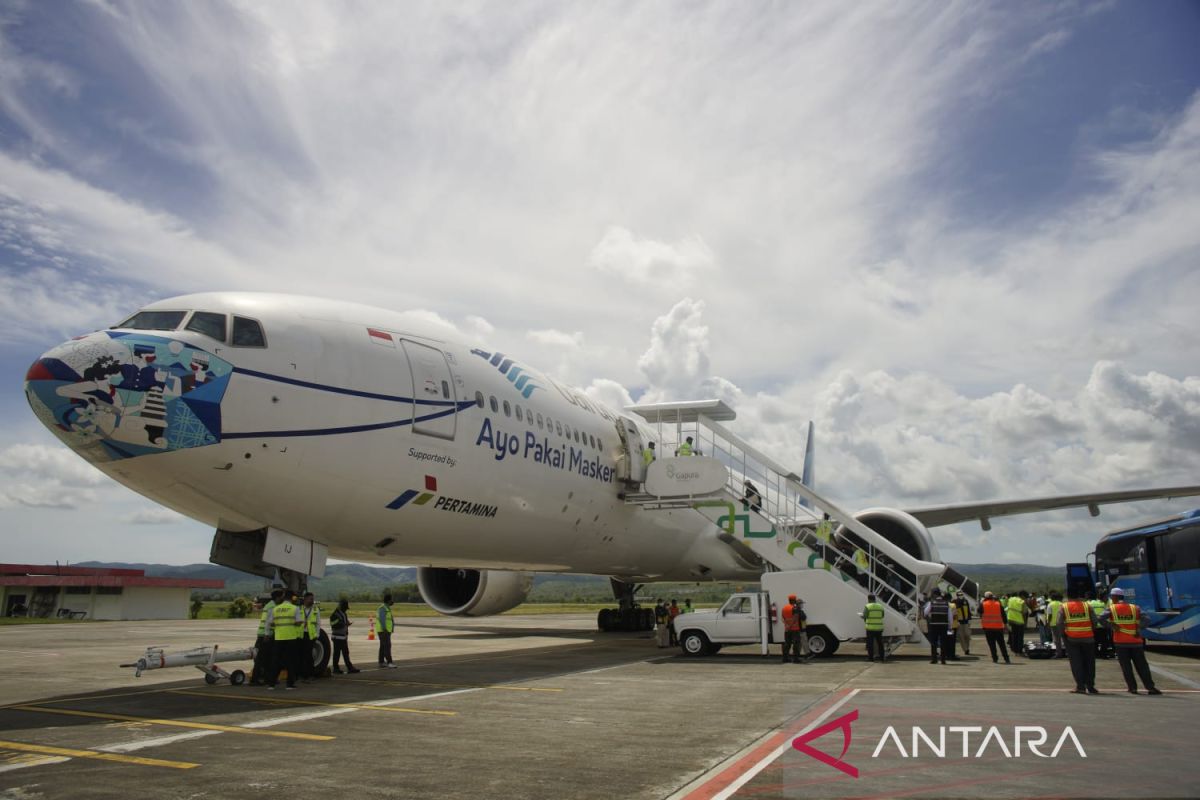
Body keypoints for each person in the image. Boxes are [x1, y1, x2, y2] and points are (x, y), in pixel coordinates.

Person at [1106, 588, 1161, 695]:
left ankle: (1132, 688)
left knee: (1126, 667)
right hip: (1135, 641)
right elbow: (1147, 619)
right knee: (1142, 666)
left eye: (1112, 597)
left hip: (1120, 642)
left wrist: (1111, 625)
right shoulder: (1134, 608)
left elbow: (1101, 618)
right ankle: (1150, 687)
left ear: (1115, 597)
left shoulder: (1111, 608)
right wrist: (1138, 628)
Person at [1059, 589, 1099, 695]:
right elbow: (1095, 622)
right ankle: (1090, 686)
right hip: (1088, 638)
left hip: (1072, 639)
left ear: (1068, 596)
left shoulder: (1064, 607)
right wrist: (1090, 631)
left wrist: (1063, 634)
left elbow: (1060, 623)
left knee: (1076, 663)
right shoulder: (1087, 606)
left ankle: (1080, 686)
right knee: (1089, 663)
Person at [267, 592, 303, 690]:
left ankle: (271, 684)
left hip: (278, 638)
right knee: (291, 661)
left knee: (276, 661)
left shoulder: (276, 608)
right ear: (292, 598)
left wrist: (279, 625)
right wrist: (296, 623)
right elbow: (299, 622)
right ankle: (289, 684)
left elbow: (271, 623)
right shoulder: (295, 608)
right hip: (291, 637)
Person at [250, 588, 282, 685]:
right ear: (277, 597)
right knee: (262, 658)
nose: (283, 598)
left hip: (264, 634)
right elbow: (269, 622)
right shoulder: (272, 607)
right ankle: (255, 679)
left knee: (267, 658)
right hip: (266, 635)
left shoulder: (270, 605)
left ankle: (267, 678)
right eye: (281, 596)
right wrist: (267, 634)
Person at [329, 598, 360, 675]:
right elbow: (333, 624)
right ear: (341, 606)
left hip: (343, 637)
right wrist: (343, 624)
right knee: (338, 653)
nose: (346, 610)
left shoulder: (344, 614)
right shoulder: (335, 614)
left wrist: (347, 623)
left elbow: (344, 622)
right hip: (337, 637)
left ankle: (348, 668)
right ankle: (338, 668)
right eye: (345, 608)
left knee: (344, 652)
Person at [980, 591, 1010, 664]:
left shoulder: (983, 604)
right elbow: (1003, 615)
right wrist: (1005, 625)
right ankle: (1006, 658)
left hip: (988, 628)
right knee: (1002, 644)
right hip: (998, 627)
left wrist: (982, 602)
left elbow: (979, 612)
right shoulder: (998, 604)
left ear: (985, 598)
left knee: (992, 644)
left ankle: (995, 658)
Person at [924, 589, 953, 664]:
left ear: (934, 595)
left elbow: (925, 612)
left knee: (934, 642)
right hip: (943, 626)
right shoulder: (947, 604)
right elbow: (950, 617)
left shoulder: (931, 603)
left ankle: (934, 659)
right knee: (943, 642)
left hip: (934, 625)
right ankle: (943, 660)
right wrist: (950, 626)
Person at [299, 591, 320, 682]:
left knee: (308, 656)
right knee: (301, 655)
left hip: (310, 635)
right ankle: (302, 674)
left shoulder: (315, 609)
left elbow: (318, 624)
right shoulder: (299, 609)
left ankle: (309, 674)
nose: (312, 600)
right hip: (300, 634)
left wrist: (317, 634)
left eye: (313, 599)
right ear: (305, 599)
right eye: (311, 599)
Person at [1088, 591, 1114, 660]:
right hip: (1103, 625)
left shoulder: (1089, 604)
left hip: (1094, 625)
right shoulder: (1103, 604)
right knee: (1104, 641)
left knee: (1095, 641)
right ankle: (1103, 654)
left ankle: (1096, 654)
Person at [862, 593, 886, 663]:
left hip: (870, 628)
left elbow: (865, 616)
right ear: (875, 599)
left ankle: (871, 658)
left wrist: (864, 618)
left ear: (869, 599)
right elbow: (882, 615)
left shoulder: (868, 606)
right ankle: (882, 658)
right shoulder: (880, 606)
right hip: (879, 628)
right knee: (880, 643)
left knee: (870, 644)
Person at [377, 593, 397, 668]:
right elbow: (382, 619)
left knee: (383, 646)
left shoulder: (387, 607)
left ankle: (381, 662)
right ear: (388, 600)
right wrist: (385, 628)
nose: (392, 601)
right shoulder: (383, 608)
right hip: (383, 631)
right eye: (391, 599)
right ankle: (389, 662)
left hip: (386, 631)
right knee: (387, 646)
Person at [1006, 591, 1029, 656]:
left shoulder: (1010, 599)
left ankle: (1014, 650)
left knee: (1013, 635)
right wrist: (1025, 623)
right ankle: (1019, 651)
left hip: (1010, 619)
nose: (1025, 599)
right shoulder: (1022, 602)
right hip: (1019, 621)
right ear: (1022, 596)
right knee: (1020, 637)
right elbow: (1024, 613)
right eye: (1025, 597)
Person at [1046, 591, 1066, 658]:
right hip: (1062, 623)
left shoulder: (1050, 604)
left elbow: (1050, 615)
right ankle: (1067, 653)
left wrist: (1048, 623)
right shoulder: (1062, 604)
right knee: (1064, 638)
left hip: (1054, 624)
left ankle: (1059, 654)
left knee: (1057, 640)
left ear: (1051, 598)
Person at [953, 591, 971, 656]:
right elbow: (953, 612)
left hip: (966, 621)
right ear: (957, 595)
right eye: (959, 595)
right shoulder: (954, 602)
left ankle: (967, 647)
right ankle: (965, 649)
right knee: (961, 636)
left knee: (967, 635)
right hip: (959, 622)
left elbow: (968, 611)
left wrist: (969, 619)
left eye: (962, 594)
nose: (961, 595)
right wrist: (955, 621)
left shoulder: (966, 601)